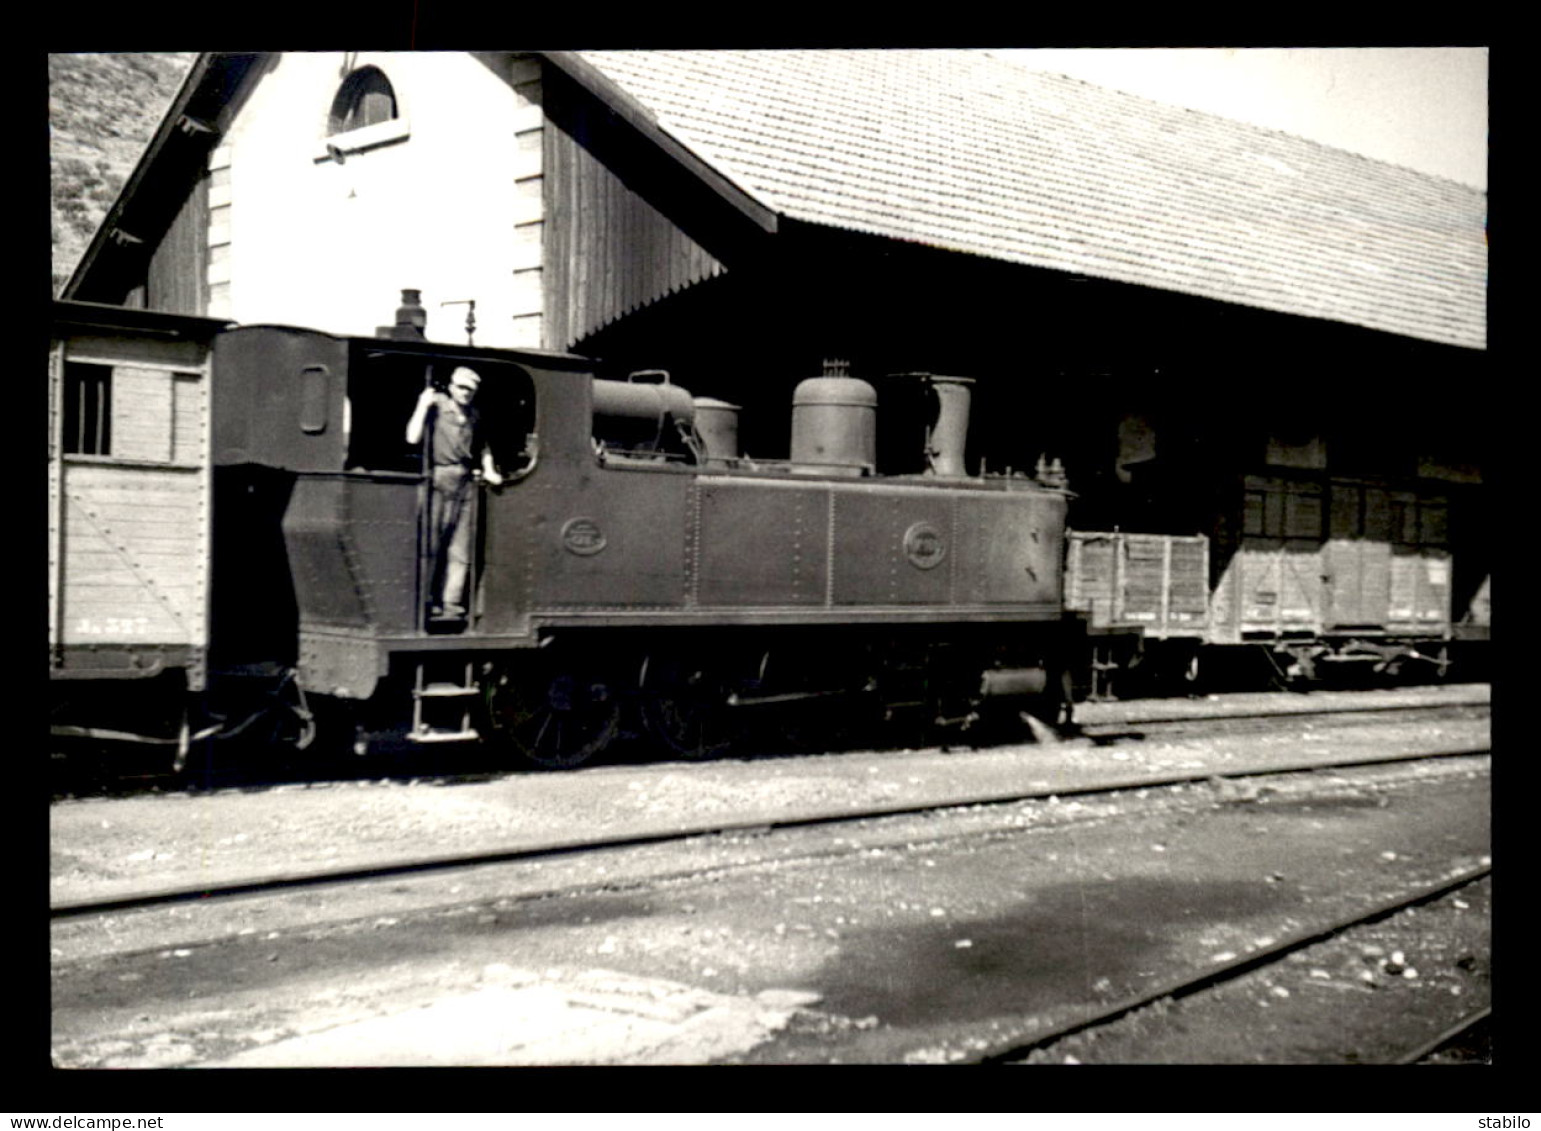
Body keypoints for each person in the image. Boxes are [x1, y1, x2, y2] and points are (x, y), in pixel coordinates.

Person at [405, 366, 503, 620]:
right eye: (461, 387)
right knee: (432, 543)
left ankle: (451, 603)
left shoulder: (474, 414)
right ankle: (425, 601)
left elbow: (483, 447)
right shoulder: (436, 406)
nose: (465, 393)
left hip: (466, 481)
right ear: (451, 386)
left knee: (460, 548)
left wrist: (489, 469)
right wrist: (421, 405)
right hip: (440, 477)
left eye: (470, 390)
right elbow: (413, 437)